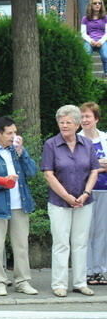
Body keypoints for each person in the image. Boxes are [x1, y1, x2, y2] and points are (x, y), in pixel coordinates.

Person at [0, 117, 39, 297]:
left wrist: (22, 153)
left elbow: (32, 172)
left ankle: (22, 281)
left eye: (15, 132)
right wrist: (3, 182)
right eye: (9, 133)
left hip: (20, 205)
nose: (14, 136)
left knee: (21, 245)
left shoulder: (16, 151)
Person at [42, 105, 100, 298]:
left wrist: (86, 193)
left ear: (77, 124)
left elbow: (94, 170)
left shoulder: (87, 144)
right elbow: (48, 174)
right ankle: (59, 284)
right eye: (61, 122)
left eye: (68, 122)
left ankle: (80, 283)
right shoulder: (51, 144)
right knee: (61, 243)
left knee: (80, 243)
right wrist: (67, 196)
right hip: (59, 202)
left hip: (84, 201)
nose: (64, 125)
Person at [79, 102, 107, 285]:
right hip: (84, 192)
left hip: (104, 190)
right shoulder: (76, 139)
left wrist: (94, 165)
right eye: (82, 117)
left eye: (88, 116)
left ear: (96, 118)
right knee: (86, 232)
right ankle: (88, 271)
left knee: (103, 231)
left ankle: (101, 270)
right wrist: (100, 165)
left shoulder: (105, 138)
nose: (84, 120)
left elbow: (91, 166)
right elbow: (80, 166)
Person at [81, 0, 107, 75]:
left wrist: (101, 41)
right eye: (95, 3)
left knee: (105, 56)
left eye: (99, 3)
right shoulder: (85, 18)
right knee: (86, 55)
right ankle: (86, 74)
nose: (97, 5)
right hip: (90, 41)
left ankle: (106, 73)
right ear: (91, 5)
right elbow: (83, 33)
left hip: (102, 40)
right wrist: (91, 41)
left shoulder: (105, 18)